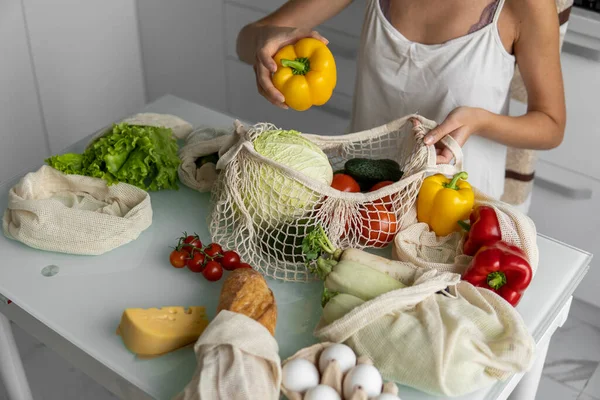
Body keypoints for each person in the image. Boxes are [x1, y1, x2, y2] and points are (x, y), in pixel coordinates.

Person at [236, 0, 566, 200]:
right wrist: (263, 43)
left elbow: (551, 126)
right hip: (361, 196)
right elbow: (246, 39)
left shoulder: (526, 6)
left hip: (458, 210)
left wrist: (479, 120)